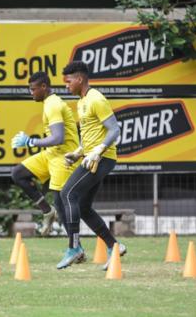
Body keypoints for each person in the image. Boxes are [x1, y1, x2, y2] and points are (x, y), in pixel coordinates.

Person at [57, 61, 127, 270]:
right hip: (91, 158)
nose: (66, 86)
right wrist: (79, 152)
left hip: (102, 159)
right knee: (84, 207)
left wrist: (98, 150)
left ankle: (74, 247)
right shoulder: (81, 102)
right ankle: (114, 246)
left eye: (68, 81)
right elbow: (91, 135)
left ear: (79, 79)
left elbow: (114, 129)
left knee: (67, 194)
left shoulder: (96, 99)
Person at [11, 71, 80, 238]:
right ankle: (47, 212)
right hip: (51, 154)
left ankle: (75, 246)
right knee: (18, 174)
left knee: (62, 202)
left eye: (33, 89)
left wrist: (30, 142)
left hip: (65, 157)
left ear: (44, 87)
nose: (31, 93)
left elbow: (58, 138)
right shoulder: (48, 103)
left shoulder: (54, 105)